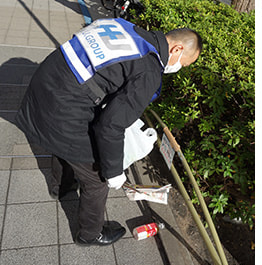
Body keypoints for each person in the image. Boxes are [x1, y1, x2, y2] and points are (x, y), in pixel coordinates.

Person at [15, 18, 203, 246]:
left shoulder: (126, 27)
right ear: (177, 49)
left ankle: (60, 186)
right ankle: (90, 234)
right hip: (64, 106)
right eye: (184, 63)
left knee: (67, 142)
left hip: (45, 82)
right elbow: (110, 126)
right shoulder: (149, 71)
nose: (179, 68)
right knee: (96, 178)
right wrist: (114, 172)